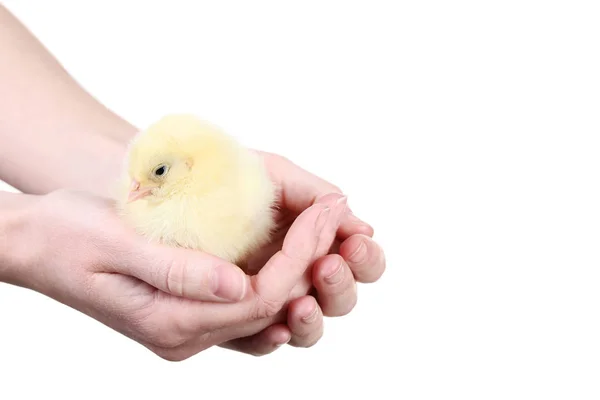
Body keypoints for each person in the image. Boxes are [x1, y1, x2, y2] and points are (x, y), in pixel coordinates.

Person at [0, 5, 386, 361]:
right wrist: (23, 237)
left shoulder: (220, 185)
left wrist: (98, 165)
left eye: (160, 172)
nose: (133, 187)